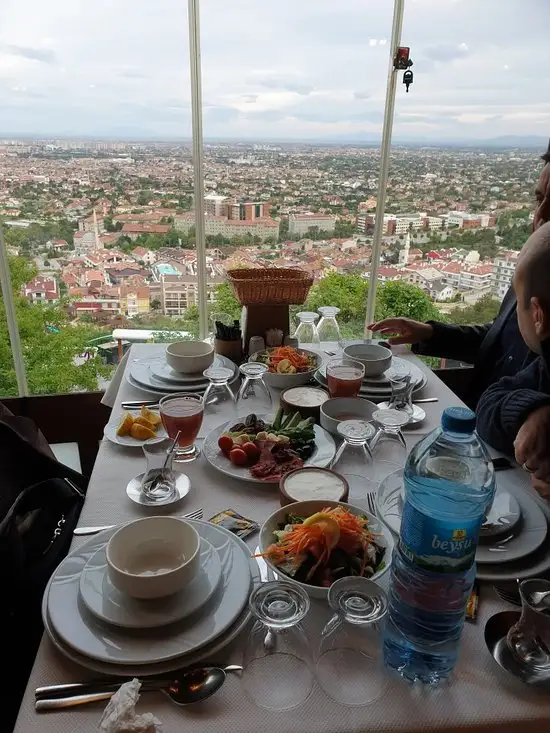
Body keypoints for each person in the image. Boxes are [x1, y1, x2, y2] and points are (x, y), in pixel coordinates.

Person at [369, 145, 550, 410]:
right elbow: (497, 340)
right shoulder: (533, 269)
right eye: (539, 199)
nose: (540, 214)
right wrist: (429, 332)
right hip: (473, 424)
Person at [476, 221, 550, 499]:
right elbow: (491, 399)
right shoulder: (545, 367)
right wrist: (531, 410)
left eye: (519, 301)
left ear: (538, 316)